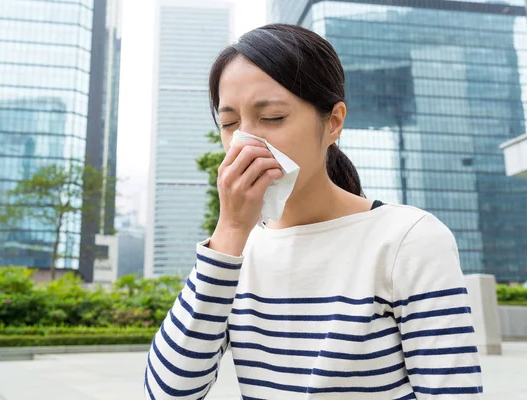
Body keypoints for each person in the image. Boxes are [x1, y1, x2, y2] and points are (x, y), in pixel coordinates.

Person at [144, 24, 483, 399]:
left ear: (333, 121)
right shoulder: (235, 253)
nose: (246, 141)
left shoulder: (408, 239)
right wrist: (230, 231)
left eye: (272, 117)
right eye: (229, 124)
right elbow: (168, 393)